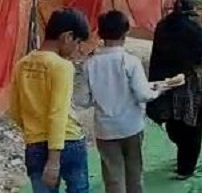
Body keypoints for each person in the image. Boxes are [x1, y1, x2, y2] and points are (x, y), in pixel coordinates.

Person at [73, 10, 175, 193]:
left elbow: (84, 100)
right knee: (134, 174)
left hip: (105, 130)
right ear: (126, 32)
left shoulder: (90, 64)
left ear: (101, 33)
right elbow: (143, 94)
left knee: (113, 178)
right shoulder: (130, 61)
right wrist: (159, 89)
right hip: (131, 127)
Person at [8, 8, 91, 193]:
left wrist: (33, 129)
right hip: (68, 142)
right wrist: (53, 160)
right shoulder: (62, 66)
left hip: (35, 145)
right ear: (68, 37)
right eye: (78, 43)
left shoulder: (22, 64)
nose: (77, 50)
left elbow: (14, 109)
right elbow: (58, 113)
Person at [146, 0, 202, 180]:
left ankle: (182, 151)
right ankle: (186, 167)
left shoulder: (163, 26)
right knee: (192, 124)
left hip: (168, 83)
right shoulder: (193, 25)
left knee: (175, 121)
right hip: (190, 83)